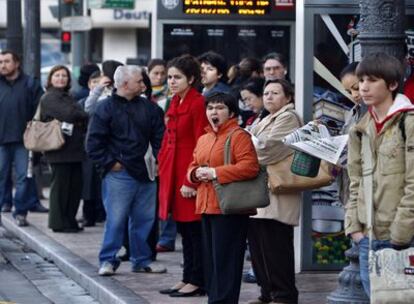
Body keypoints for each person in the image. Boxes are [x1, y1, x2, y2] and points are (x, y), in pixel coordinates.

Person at [345, 52, 414, 298]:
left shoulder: (409, 122)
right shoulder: (359, 128)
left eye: (372, 80)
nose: (363, 87)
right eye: (361, 80)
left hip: (403, 237)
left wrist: (401, 233)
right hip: (367, 238)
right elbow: (355, 181)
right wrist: (354, 226)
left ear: (392, 84)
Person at [86, 65, 166, 276]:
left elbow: (160, 139)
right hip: (118, 174)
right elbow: (93, 143)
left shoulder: (150, 108)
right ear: (125, 83)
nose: (144, 84)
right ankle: (107, 259)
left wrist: (158, 162)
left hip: (146, 173)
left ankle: (141, 260)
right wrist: (111, 164)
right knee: (116, 220)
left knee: (144, 220)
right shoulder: (104, 108)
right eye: (139, 81)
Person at [187, 92, 260, 304]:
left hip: (230, 207)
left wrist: (216, 173)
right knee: (212, 261)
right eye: (210, 108)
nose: (213, 112)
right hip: (206, 205)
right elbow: (194, 163)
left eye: (219, 108)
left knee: (226, 262)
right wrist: (194, 174)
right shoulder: (204, 137)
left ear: (231, 113)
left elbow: (250, 167)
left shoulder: (239, 136)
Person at [158, 54, 208, 297]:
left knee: (193, 230)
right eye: (169, 77)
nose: (171, 81)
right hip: (173, 173)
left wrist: (192, 179)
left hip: (187, 173)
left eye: (177, 77)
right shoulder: (175, 102)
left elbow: (202, 142)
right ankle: (188, 276)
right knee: (183, 229)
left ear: (191, 79)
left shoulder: (198, 102)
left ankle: (197, 279)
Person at [248, 79, 301, 304]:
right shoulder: (265, 118)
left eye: (275, 93)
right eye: (266, 92)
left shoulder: (289, 117)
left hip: (278, 190)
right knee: (259, 247)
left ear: (287, 97)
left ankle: (284, 295)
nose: (268, 96)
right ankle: (266, 293)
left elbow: (268, 149)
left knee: (276, 246)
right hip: (260, 190)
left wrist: (247, 148)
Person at [40, 65, 88, 233]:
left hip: (74, 149)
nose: (61, 78)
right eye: (57, 75)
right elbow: (71, 114)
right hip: (58, 149)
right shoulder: (49, 98)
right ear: (51, 79)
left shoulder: (68, 96)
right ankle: (58, 222)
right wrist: (80, 114)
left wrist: (79, 114)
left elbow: (78, 113)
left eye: (64, 76)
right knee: (60, 188)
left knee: (74, 188)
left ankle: (70, 220)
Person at [0, 50, 45, 226]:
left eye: (6, 61)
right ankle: (5, 203)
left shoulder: (30, 84)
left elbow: (40, 109)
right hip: (1, 140)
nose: (2, 65)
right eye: (1, 62)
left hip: (24, 141)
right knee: (1, 175)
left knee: (23, 177)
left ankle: (20, 212)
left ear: (17, 63)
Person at [146, 58, 177, 253]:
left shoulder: (171, 97)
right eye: (155, 73)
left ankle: (167, 238)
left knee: (166, 196)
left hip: (164, 151)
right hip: (146, 152)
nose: (159, 77)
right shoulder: (144, 96)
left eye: (162, 73)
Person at [338, 62, 368, 205]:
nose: (354, 95)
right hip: (350, 189)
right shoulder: (353, 112)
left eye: (356, 88)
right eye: (349, 92)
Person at [78, 71, 103, 227]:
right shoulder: (83, 102)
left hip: (103, 146)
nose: (97, 85)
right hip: (86, 148)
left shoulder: (109, 101)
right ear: (89, 84)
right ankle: (88, 214)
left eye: (100, 82)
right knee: (88, 183)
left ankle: (101, 213)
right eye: (94, 82)